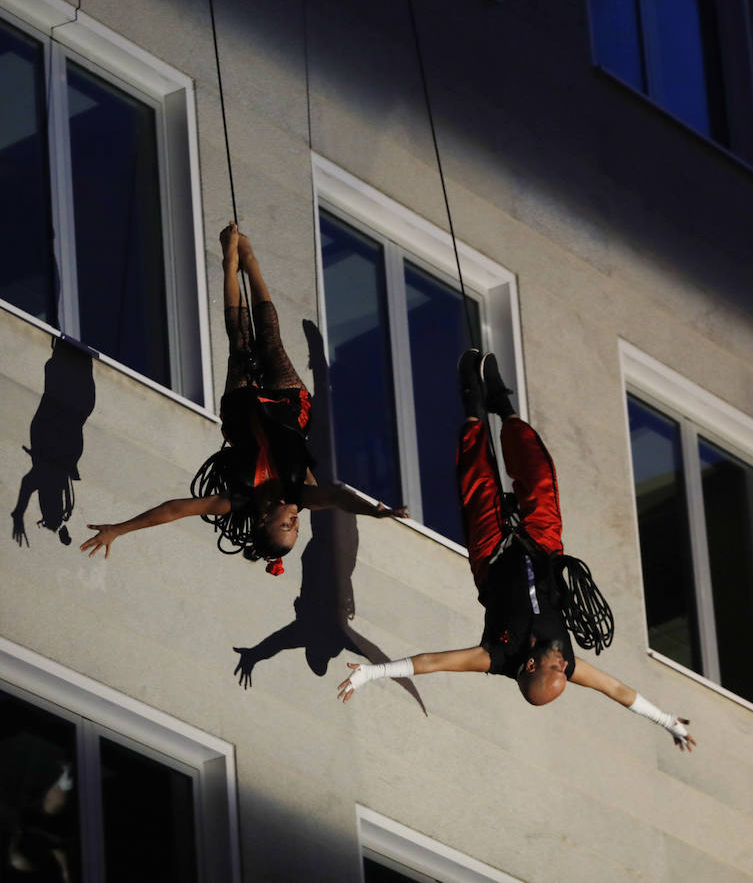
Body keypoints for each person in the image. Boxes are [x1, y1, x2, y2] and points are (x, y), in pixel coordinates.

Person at [337, 351, 696, 751]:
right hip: (542, 548)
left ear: (530, 666)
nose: (563, 662)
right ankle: (503, 406)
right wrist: (667, 721)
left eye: (555, 667)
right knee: (540, 475)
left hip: (491, 554)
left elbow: (431, 662)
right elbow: (616, 689)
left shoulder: (498, 657)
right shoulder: (566, 661)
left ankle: (473, 406)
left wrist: (370, 675)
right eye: (563, 668)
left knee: (477, 477)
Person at [80, 223, 406, 574]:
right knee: (269, 338)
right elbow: (338, 497)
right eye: (297, 529)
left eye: (286, 527)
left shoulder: (234, 501)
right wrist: (375, 510)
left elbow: (174, 509)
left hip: (242, 407)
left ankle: (229, 263)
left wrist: (119, 529)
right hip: (288, 407)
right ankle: (250, 263)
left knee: (239, 338)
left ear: (264, 520)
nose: (295, 523)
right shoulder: (302, 496)